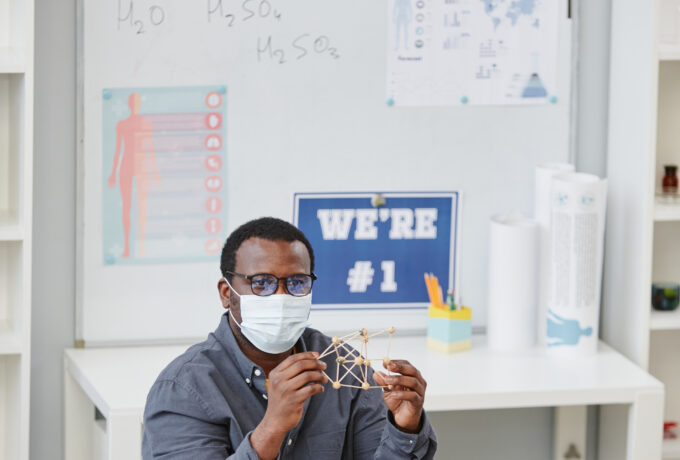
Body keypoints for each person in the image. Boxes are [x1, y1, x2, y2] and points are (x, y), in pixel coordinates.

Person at [142, 217, 437, 459]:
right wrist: (271, 428)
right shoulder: (183, 389)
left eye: (296, 282)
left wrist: (405, 427)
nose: (281, 297)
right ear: (225, 293)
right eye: (262, 283)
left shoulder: (344, 368)